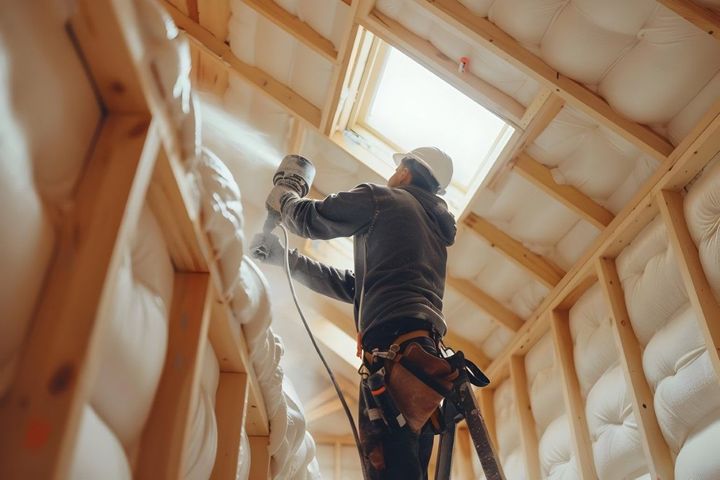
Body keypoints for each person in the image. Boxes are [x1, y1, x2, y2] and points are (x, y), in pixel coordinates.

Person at [251, 146, 457, 479]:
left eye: (397, 170)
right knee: (408, 470)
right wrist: (286, 258)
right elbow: (356, 286)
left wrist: (286, 196)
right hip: (424, 360)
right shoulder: (433, 232)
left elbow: (310, 219)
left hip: (392, 356)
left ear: (405, 172)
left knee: (388, 472)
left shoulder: (383, 199)